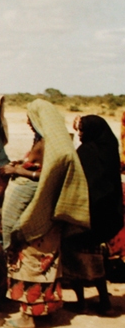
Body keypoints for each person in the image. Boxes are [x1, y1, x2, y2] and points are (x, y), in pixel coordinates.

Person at [1, 99, 90, 328]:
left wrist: (17, 170)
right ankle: (43, 312)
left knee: (29, 261)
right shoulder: (55, 142)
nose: (27, 122)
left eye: (30, 117)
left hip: (38, 216)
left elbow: (44, 174)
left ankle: (27, 318)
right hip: (49, 218)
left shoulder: (50, 145)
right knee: (44, 264)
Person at [62, 115, 123, 314]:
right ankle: (104, 301)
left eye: (82, 130)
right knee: (96, 259)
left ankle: (83, 302)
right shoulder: (109, 149)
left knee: (74, 254)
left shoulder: (86, 152)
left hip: (85, 215)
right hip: (104, 215)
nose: (80, 134)